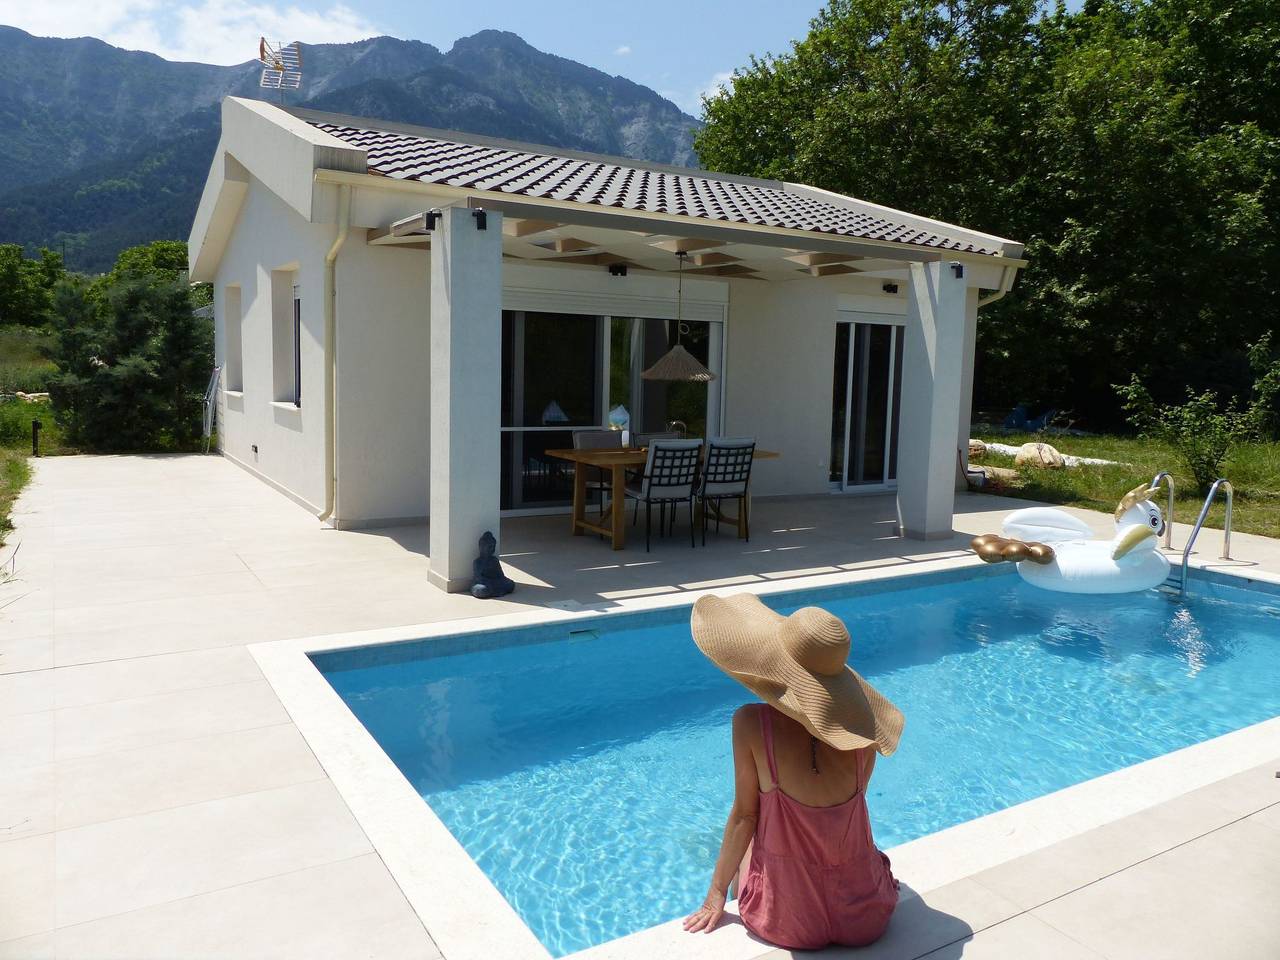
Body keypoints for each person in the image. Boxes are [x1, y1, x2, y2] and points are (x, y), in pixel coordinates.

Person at [683, 593, 904, 950]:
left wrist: (715, 894)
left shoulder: (751, 724)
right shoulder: (865, 738)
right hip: (865, 917)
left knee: (753, 829)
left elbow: (744, 817)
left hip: (787, 921)